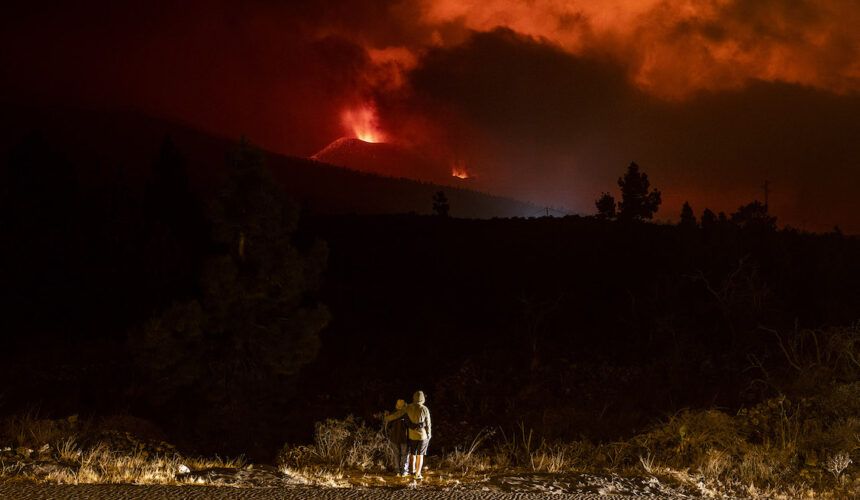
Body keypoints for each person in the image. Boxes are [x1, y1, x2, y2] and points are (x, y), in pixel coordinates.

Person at [386, 390, 431, 479]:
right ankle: (417, 474)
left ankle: (411, 470)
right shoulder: (425, 409)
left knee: (412, 453)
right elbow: (428, 423)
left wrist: (387, 418)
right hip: (422, 436)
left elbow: (397, 415)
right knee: (420, 455)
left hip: (411, 436)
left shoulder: (408, 408)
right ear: (423, 399)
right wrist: (429, 434)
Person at [385, 399, 409, 476]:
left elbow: (388, 426)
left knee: (396, 454)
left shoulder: (392, 414)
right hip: (404, 438)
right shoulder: (406, 414)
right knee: (404, 454)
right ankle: (404, 471)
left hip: (394, 437)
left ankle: (397, 471)